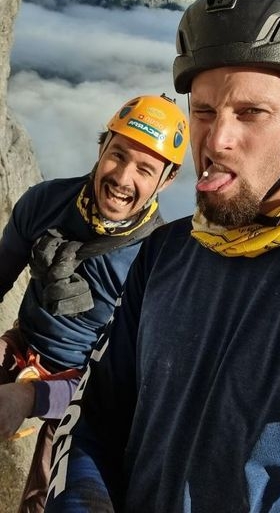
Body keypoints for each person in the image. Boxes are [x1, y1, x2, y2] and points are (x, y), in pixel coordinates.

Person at [45, 0, 280, 513]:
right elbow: (99, 416)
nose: (217, 141)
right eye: (204, 111)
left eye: (250, 113)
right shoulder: (166, 253)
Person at [0, 92, 189, 513]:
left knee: (43, 502)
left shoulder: (155, 265)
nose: (123, 177)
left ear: (168, 179)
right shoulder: (44, 203)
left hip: (85, 388)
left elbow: (120, 390)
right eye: (117, 155)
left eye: (145, 168)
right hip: (22, 346)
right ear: (102, 146)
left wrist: (31, 396)